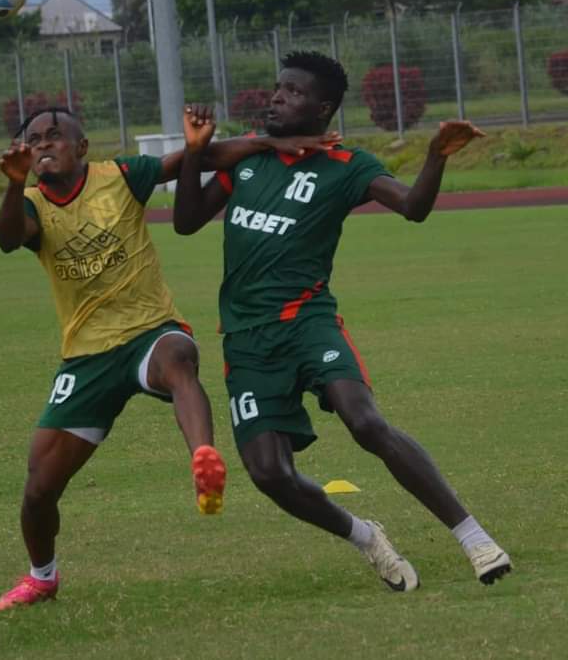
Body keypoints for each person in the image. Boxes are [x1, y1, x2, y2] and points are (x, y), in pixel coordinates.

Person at [173, 50, 512, 592]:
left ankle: (473, 537)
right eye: (277, 87)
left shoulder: (347, 166)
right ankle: (365, 536)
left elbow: (412, 207)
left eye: (293, 92)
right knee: (268, 474)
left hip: (309, 322)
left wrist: (436, 156)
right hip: (247, 341)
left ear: (324, 107)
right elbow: (186, 221)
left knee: (365, 421)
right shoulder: (246, 161)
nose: (277, 97)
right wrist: (195, 153)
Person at [0, 105, 337, 611]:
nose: (43, 144)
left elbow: (199, 159)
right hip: (87, 356)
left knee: (179, 359)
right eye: (34, 139)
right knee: (39, 489)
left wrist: (268, 143)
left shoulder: (121, 176)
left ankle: (204, 459)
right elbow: (6, 240)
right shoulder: (32, 205)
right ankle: (42, 577)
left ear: (82, 147)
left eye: (54, 136)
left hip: (150, 331)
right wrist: (12, 184)